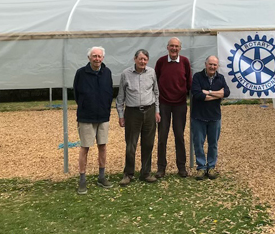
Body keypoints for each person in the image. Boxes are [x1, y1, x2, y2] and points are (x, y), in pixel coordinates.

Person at [73, 46, 113, 195]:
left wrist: (105, 108)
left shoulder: (106, 72)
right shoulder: (81, 73)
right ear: (89, 57)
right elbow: (76, 93)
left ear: (103, 58)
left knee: (102, 146)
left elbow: (109, 91)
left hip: (103, 116)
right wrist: (85, 106)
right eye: (94, 56)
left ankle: (101, 176)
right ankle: (82, 179)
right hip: (86, 117)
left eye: (99, 56)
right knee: (85, 147)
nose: (97, 59)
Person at [117, 49, 161, 185]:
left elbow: (156, 93)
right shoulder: (126, 74)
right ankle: (128, 174)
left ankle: (146, 173)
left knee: (148, 143)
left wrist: (157, 111)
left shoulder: (152, 72)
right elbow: (120, 97)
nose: (143, 62)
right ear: (135, 59)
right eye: (140, 59)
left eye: (145, 59)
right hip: (132, 113)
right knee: (131, 144)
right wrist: (121, 115)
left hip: (149, 110)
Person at [154, 37, 192, 179]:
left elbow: (189, 81)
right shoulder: (161, 62)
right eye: (171, 46)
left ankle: (181, 167)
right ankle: (161, 167)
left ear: (180, 48)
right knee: (162, 137)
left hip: (180, 104)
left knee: (179, 136)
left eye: (176, 46)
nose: (174, 48)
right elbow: (155, 80)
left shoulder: (185, 62)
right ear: (167, 47)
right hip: (164, 104)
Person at [191, 55, 230, 180]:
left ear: (217, 66)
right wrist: (218, 94)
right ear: (205, 64)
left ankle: (211, 167)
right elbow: (197, 94)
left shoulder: (221, 78)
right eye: (210, 64)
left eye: (215, 65)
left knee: (213, 144)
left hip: (215, 117)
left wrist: (208, 92)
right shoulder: (197, 77)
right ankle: (201, 167)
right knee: (198, 143)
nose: (212, 67)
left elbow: (227, 93)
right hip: (199, 117)